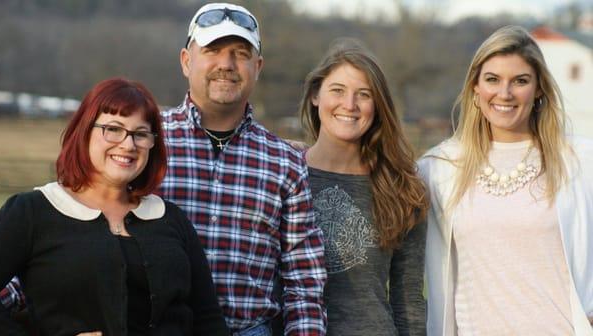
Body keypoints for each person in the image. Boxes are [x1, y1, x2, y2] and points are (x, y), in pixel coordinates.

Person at [0, 78, 229, 335]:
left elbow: (208, 320)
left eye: (140, 134)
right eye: (113, 129)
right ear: (84, 132)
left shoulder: (171, 219)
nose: (128, 145)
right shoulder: (32, 212)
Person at [157, 2, 327, 335]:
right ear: (186, 61)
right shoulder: (145, 144)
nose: (227, 64)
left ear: (258, 66)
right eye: (213, 50)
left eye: (240, 53)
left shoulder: (285, 163)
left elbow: (303, 280)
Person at [418, 25, 593, 335]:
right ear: (475, 88)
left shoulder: (580, 160)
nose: (505, 93)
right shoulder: (440, 168)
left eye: (520, 81)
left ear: (539, 88)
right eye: (493, 80)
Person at [298, 39, 428, 336]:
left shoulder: (402, 188)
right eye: (338, 91)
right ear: (316, 95)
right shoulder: (284, 174)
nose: (350, 105)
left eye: (364, 95)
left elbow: (408, 297)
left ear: (378, 105)